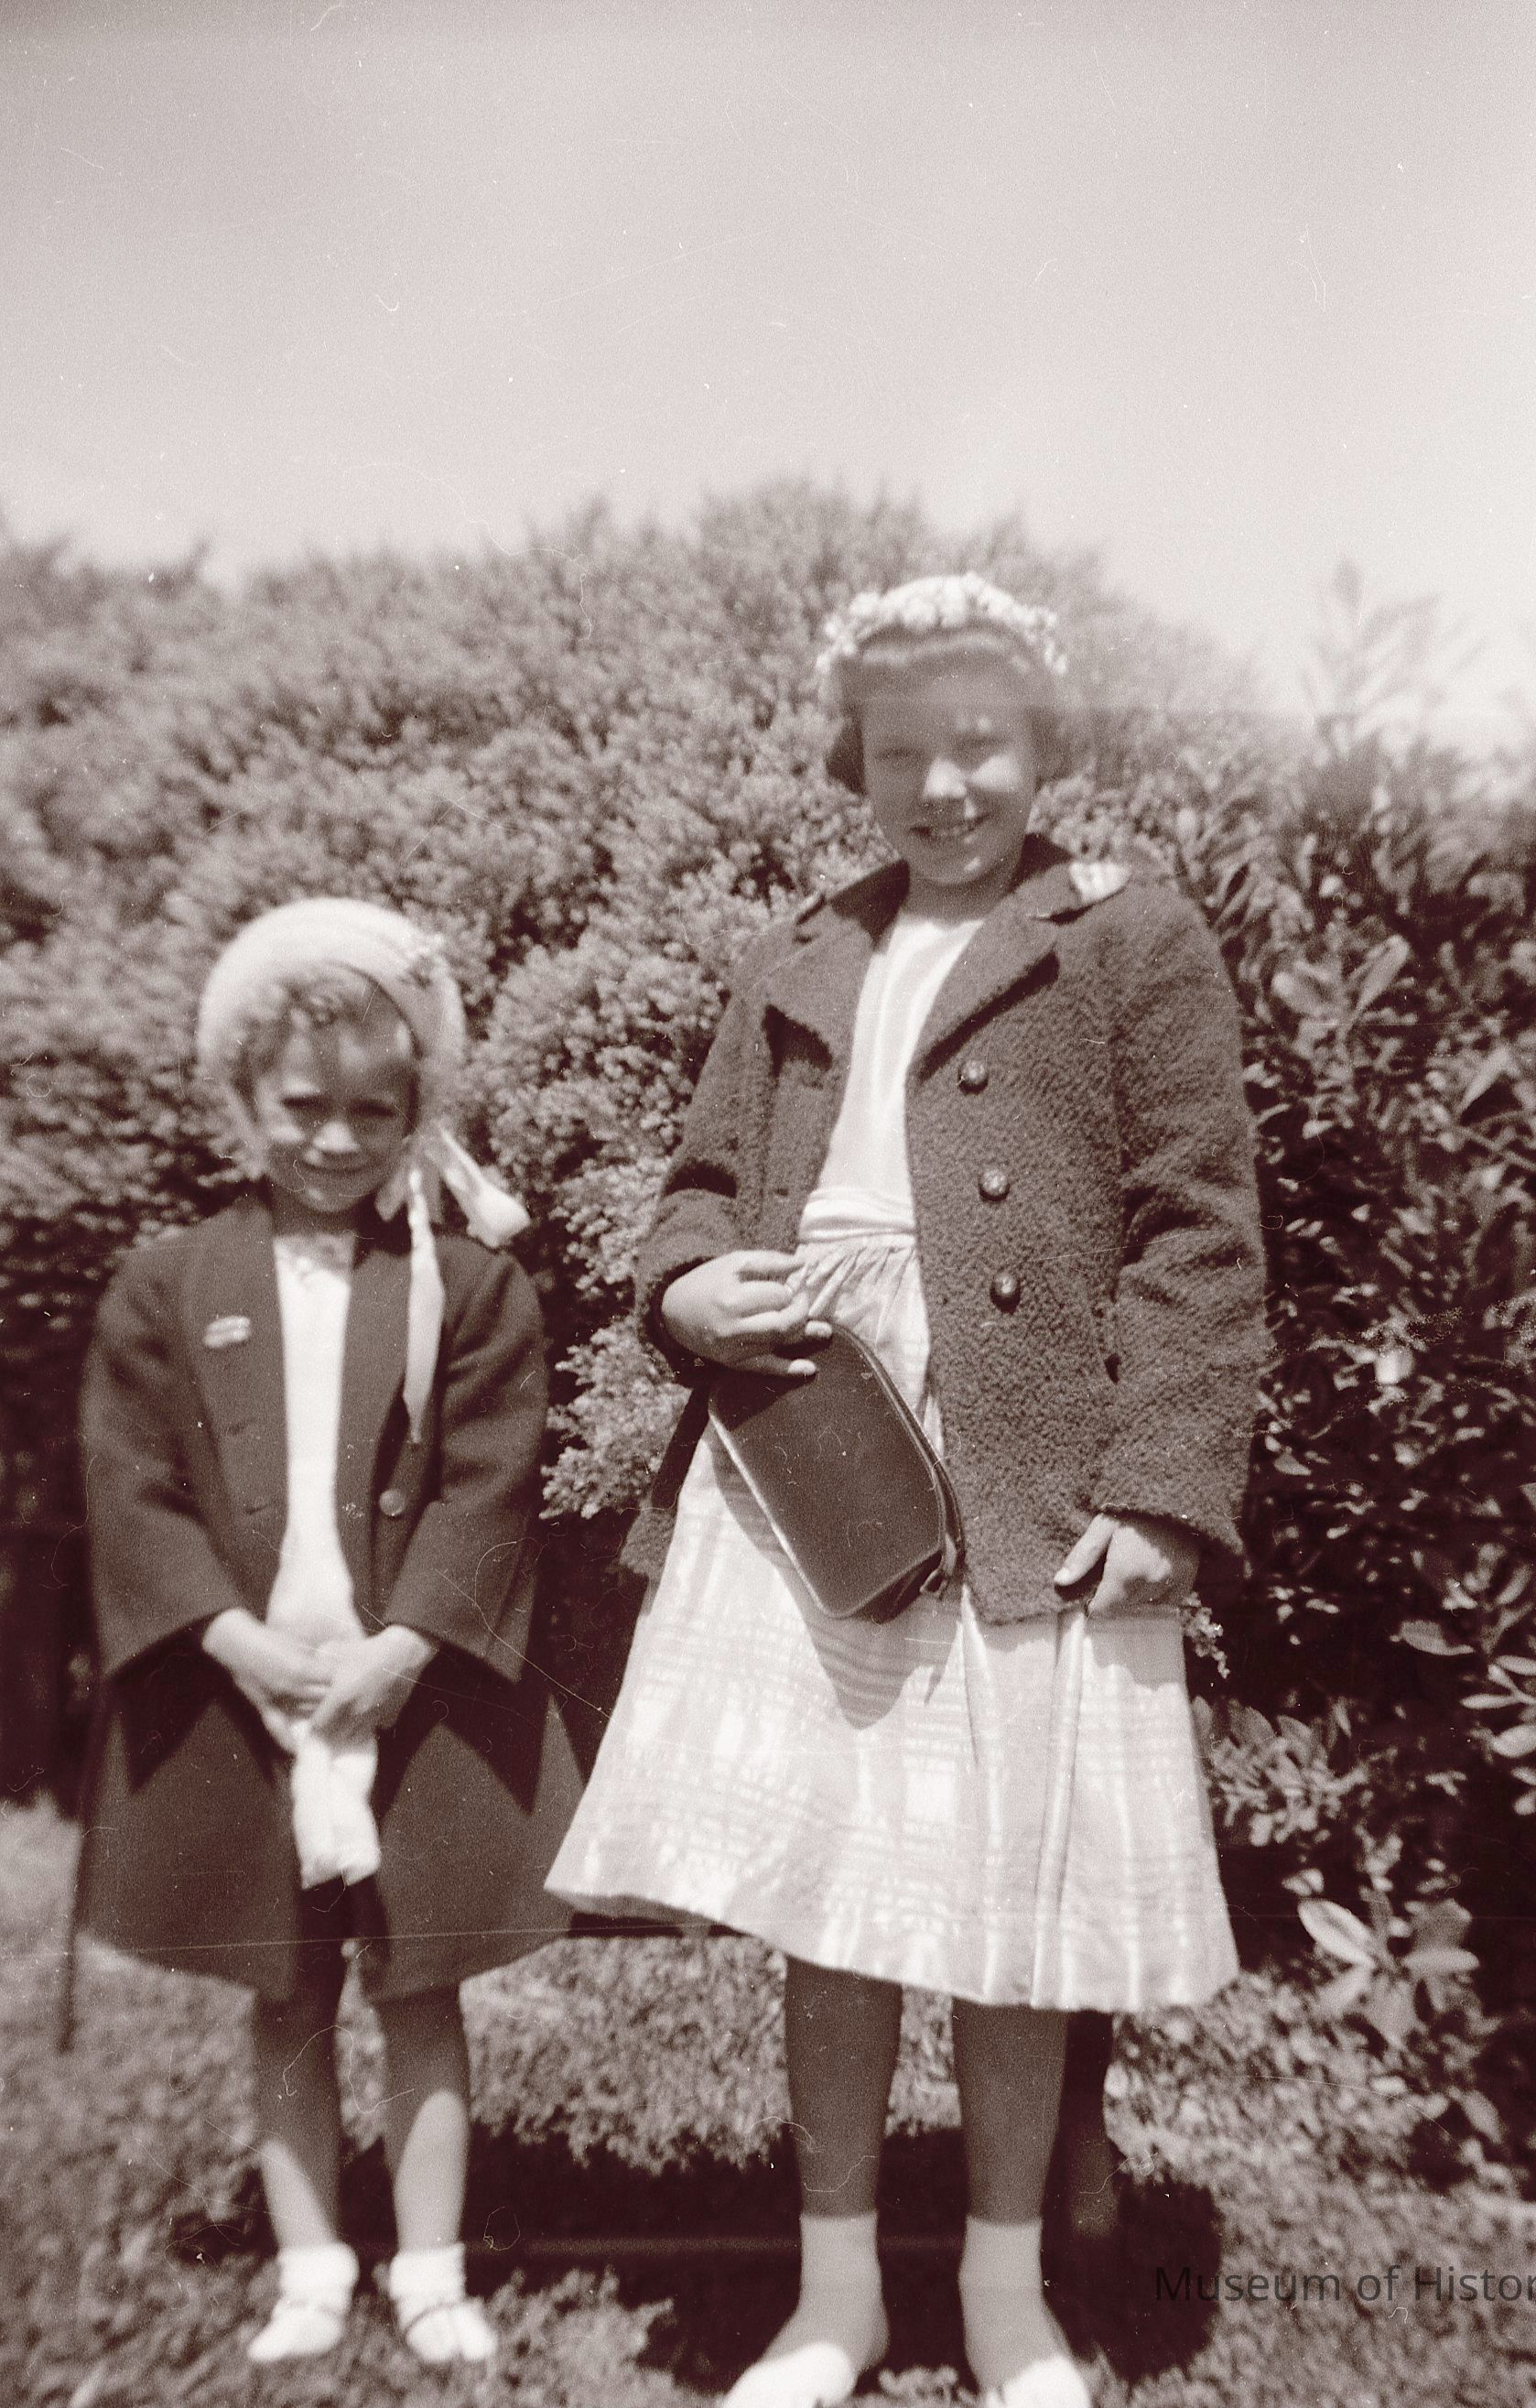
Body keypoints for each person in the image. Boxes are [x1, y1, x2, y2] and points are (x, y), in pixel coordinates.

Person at [548, 573, 1270, 2408]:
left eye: (979, 742)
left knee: (1008, 1895)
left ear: (1043, 744)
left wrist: (1163, 1485)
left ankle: (1007, 2291)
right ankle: (836, 2297)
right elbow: (699, 1185)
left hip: (1025, 1460)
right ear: (850, 761)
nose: (941, 784)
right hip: (816, 1441)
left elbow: (1197, 1228)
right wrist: (683, 1288)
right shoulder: (800, 949)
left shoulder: (1127, 933)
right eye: (899, 751)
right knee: (835, 1885)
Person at [76, 897, 582, 2369]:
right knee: (285, 1987)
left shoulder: (464, 1284)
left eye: (375, 1109)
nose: (337, 1138)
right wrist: (226, 1636)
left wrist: (408, 1644)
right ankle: (309, 2266)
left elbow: (491, 1480)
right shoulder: (170, 1282)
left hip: (400, 1685)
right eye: (302, 1105)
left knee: (419, 1984)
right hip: (250, 1681)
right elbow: (130, 1484)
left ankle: (430, 2266)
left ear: (418, 1110)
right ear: (241, 1100)